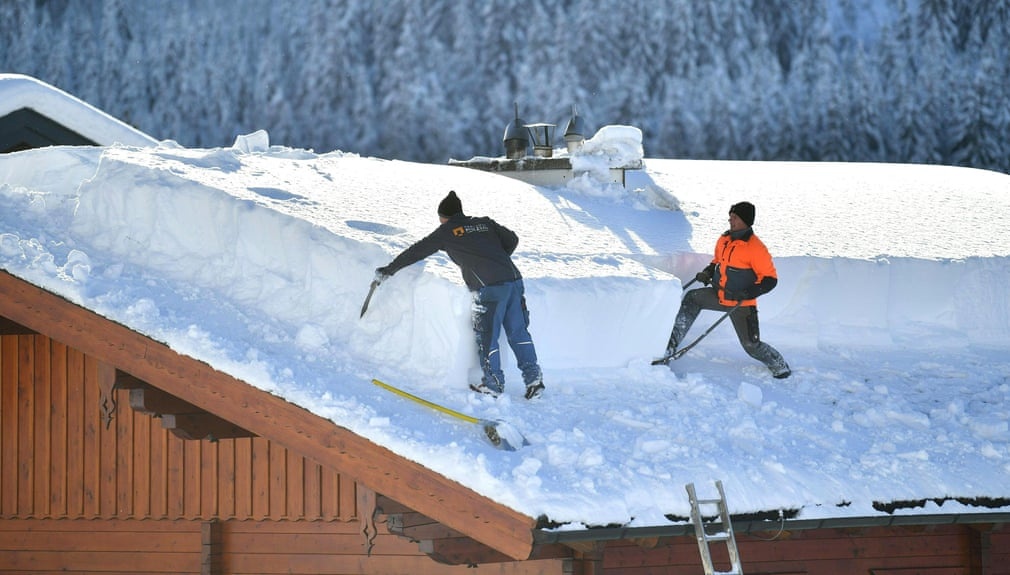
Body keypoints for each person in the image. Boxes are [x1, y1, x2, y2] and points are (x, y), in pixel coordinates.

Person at [374, 190, 545, 399]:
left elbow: (416, 251)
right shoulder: (484, 223)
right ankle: (534, 380)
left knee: (488, 337)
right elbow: (512, 239)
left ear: (443, 217)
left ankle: (493, 386)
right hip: (514, 280)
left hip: (489, 287)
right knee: (519, 333)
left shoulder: (446, 231)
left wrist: (389, 270)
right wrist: (494, 258)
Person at [660, 201, 791, 378]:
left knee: (751, 345)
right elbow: (717, 261)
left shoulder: (756, 248)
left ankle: (779, 365)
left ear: (745, 220)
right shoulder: (724, 239)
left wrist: (747, 294)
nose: (730, 220)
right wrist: (708, 272)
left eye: (734, 217)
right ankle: (669, 347)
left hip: (741, 303)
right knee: (692, 298)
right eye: (730, 216)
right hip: (719, 294)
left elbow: (770, 280)